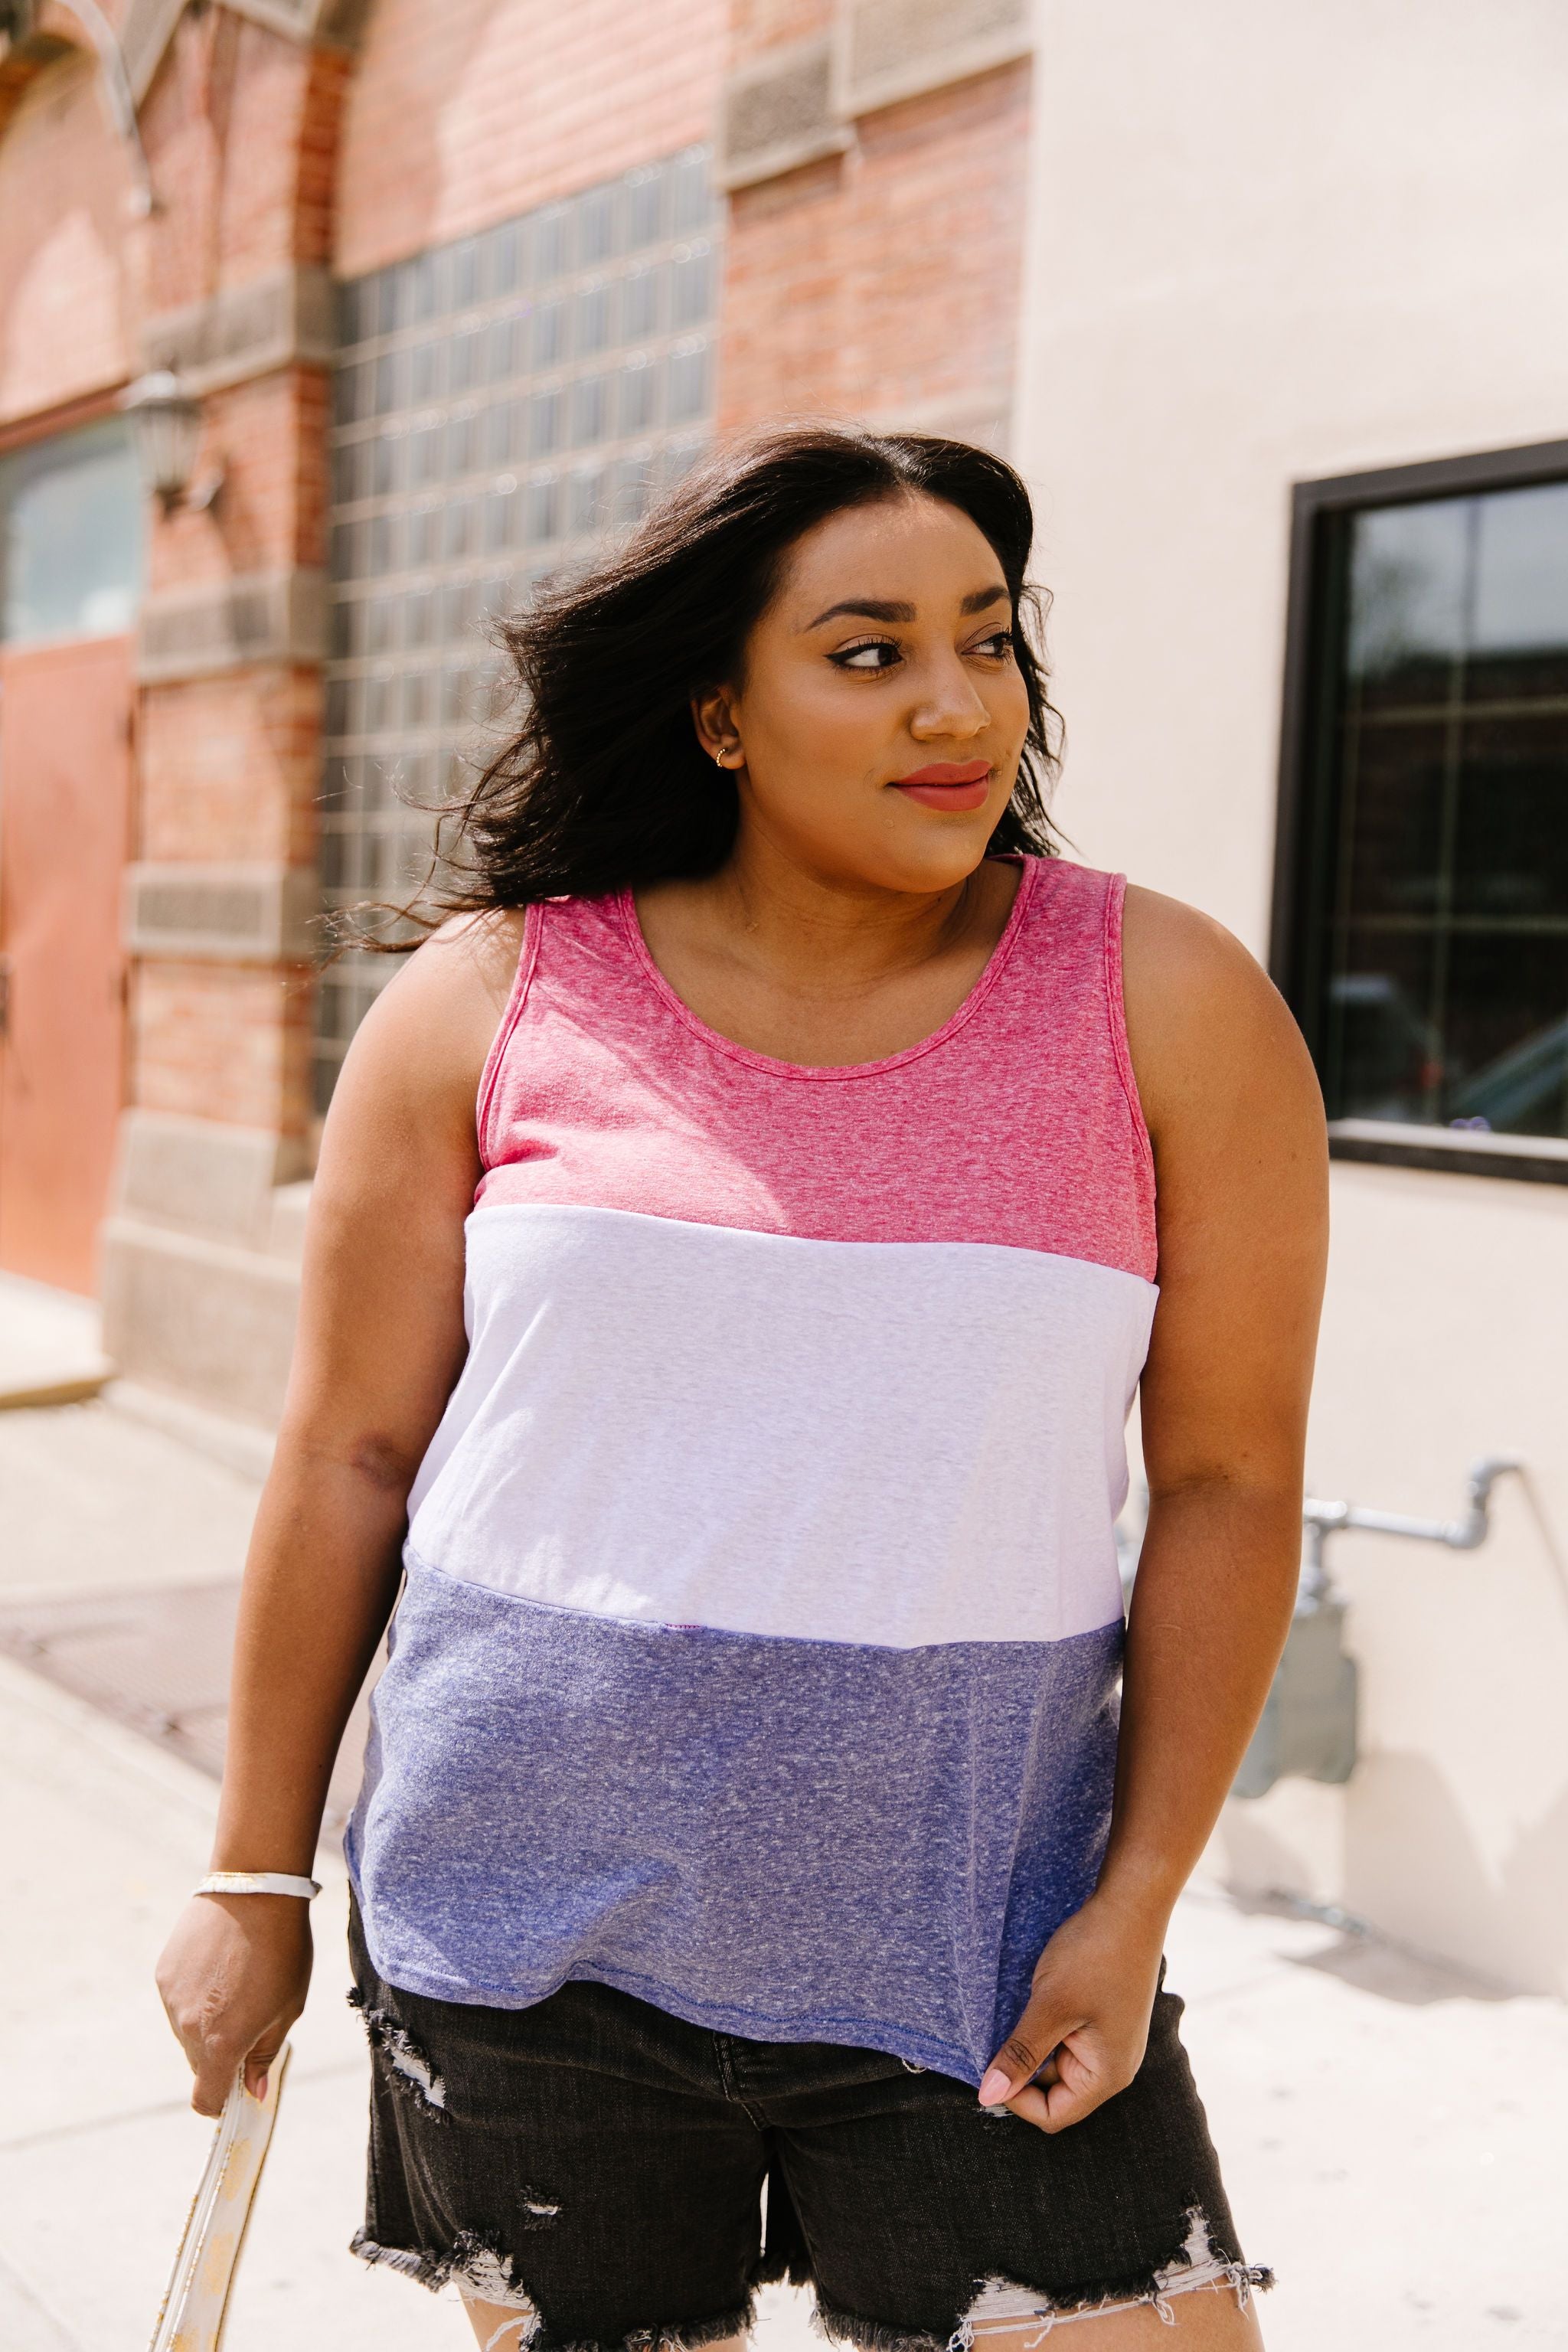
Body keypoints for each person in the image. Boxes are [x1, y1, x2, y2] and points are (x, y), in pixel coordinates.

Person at [156, 426, 1328, 2350]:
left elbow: (1221, 1484)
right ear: (718, 712)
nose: (955, 705)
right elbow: (352, 1453)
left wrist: (1136, 1904)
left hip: (977, 1940)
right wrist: (251, 1875)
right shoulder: (493, 995)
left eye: (987, 639)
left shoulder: (1165, 1002)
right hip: (523, 1938)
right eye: (867, 653)